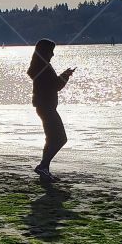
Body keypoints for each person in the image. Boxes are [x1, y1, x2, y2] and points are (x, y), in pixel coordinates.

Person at [27, 38, 75, 180]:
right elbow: (55, 86)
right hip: (46, 107)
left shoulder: (39, 66)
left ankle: (45, 170)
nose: (53, 54)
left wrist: (63, 75)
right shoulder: (44, 67)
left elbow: (52, 84)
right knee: (60, 138)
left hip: (43, 107)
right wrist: (65, 76)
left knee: (51, 138)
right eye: (51, 51)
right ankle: (43, 166)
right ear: (45, 52)